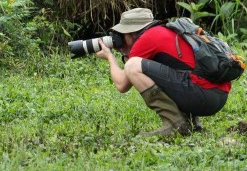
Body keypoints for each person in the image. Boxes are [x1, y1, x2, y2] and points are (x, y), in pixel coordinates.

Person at [94, 7, 231, 137]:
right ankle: (191, 123)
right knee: (165, 70)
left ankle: (176, 124)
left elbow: (121, 84)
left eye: (122, 35)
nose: (120, 40)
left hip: (204, 96)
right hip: (217, 96)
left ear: (132, 32)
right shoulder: (165, 31)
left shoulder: (147, 38)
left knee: (132, 66)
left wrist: (110, 56)